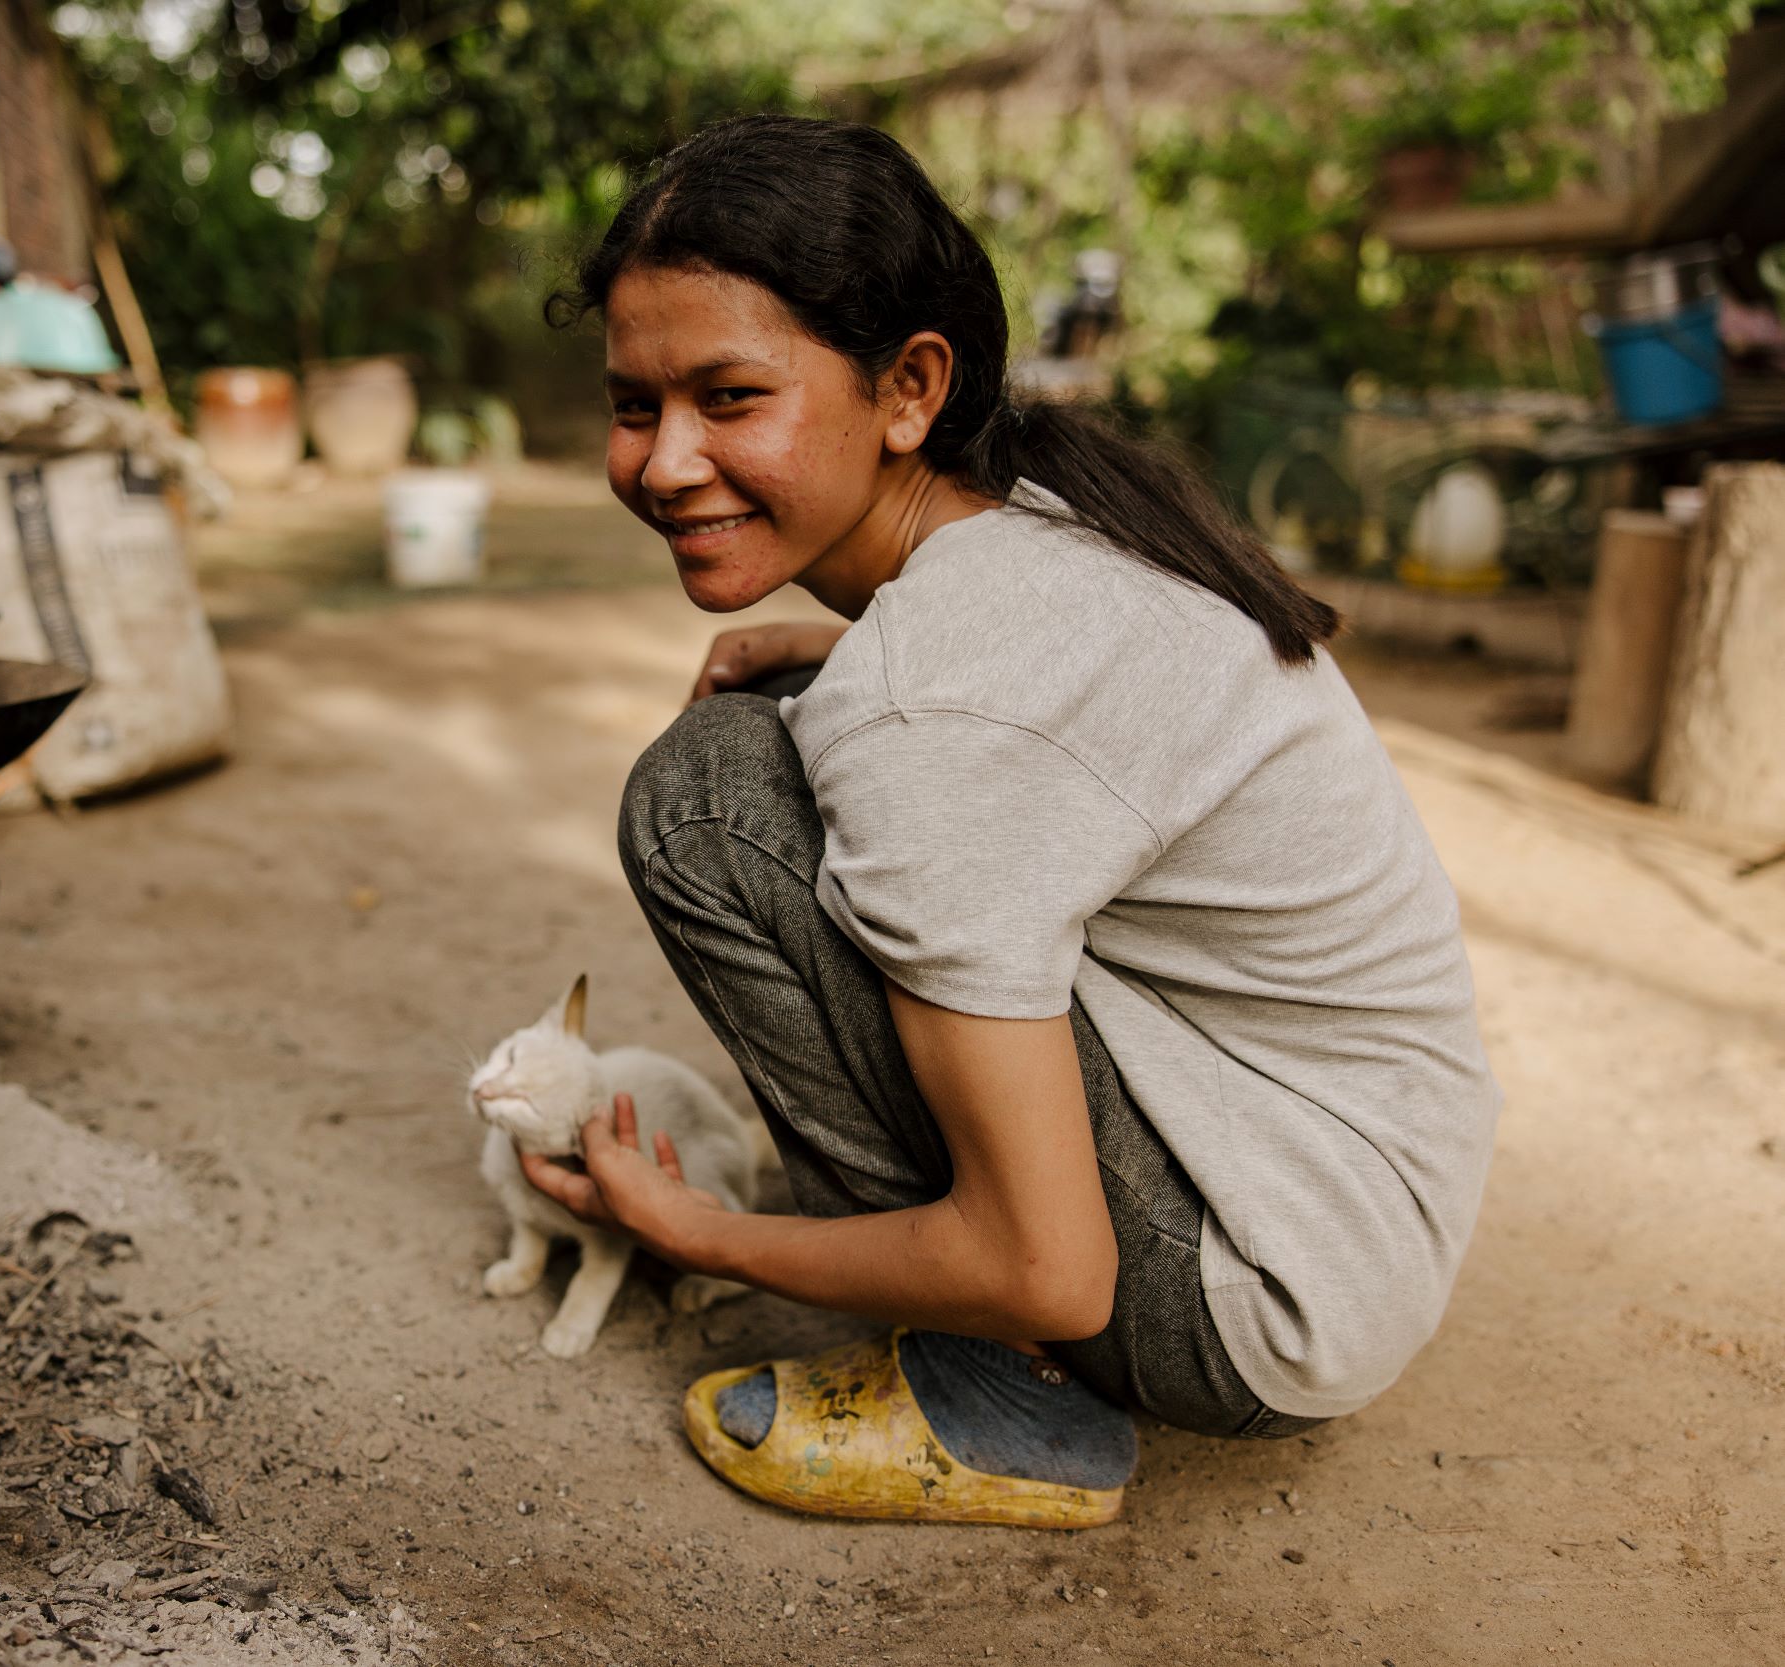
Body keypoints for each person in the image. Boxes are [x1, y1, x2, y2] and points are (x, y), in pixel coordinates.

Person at [519, 115, 1500, 1529]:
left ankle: (1003, 1404)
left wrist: (697, 1231)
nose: (667, 462)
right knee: (768, 754)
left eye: (730, 398)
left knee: (708, 801)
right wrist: (854, 667)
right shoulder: (1034, 522)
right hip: (1350, 1204)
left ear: (910, 388)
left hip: (1263, 1290)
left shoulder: (934, 713)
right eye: (634, 406)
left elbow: (1052, 1272)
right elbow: (1014, 732)